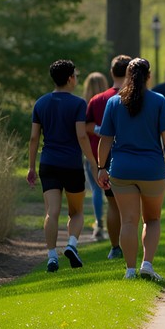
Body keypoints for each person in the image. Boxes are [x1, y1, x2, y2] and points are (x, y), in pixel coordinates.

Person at [95, 58, 165, 281]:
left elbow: (105, 139)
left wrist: (101, 167)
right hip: (152, 169)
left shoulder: (114, 102)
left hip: (122, 170)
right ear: (148, 76)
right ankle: (147, 265)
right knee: (152, 220)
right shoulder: (159, 101)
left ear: (127, 77)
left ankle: (130, 270)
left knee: (129, 221)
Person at [27, 60, 97, 273]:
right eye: (75, 75)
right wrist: (94, 163)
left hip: (48, 163)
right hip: (71, 165)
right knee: (76, 212)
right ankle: (72, 245)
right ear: (69, 79)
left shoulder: (40, 103)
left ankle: (51, 256)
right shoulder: (78, 104)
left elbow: (33, 138)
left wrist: (31, 167)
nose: (76, 79)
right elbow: (81, 135)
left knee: (52, 212)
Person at [87, 54, 132, 260]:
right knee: (133, 207)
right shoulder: (138, 97)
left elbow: (85, 125)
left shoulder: (98, 100)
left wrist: (99, 130)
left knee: (113, 205)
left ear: (112, 73)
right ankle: (133, 248)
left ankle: (115, 247)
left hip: (107, 159)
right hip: (133, 157)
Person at [82, 71, 110, 239]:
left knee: (95, 190)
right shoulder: (111, 100)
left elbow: (83, 127)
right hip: (110, 149)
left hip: (92, 150)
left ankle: (99, 223)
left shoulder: (87, 104)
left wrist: (96, 129)